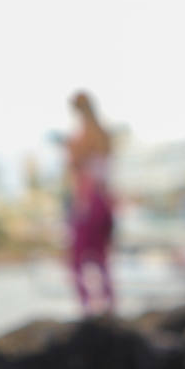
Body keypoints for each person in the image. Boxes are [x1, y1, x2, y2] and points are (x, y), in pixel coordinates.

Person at [65, 91, 116, 313]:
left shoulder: (81, 139)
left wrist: (81, 204)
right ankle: (109, 305)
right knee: (102, 258)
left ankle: (87, 309)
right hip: (106, 202)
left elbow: (83, 175)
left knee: (77, 259)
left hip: (89, 201)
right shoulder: (104, 135)